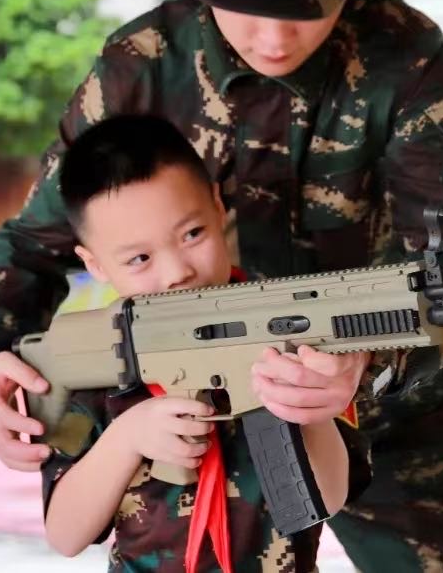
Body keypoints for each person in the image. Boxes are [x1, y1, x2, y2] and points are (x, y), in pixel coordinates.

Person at [0, 0, 443, 572]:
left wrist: (366, 362)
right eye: (245, 1)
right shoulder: (143, 69)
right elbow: (34, 243)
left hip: (394, 411)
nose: (273, 38)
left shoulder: (406, 60)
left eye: (304, 5)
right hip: (186, 405)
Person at [42, 114, 369, 572]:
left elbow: (329, 498)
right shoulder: (96, 359)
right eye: (139, 258)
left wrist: (308, 405)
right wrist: (127, 436)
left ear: (217, 206)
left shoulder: (289, 324)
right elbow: (65, 534)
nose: (177, 272)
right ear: (94, 264)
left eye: (191, 234)